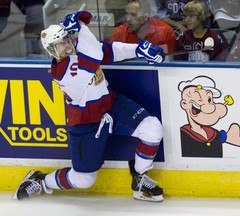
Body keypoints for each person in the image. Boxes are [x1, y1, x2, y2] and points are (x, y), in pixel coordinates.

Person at [13, 11, 166, 202]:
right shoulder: (64, 72)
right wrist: (82, 26)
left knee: (152, 128)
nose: (68, 45)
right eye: (62, 43)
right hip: (87, 123)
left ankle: (140, 177)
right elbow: (95, 55)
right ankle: (42, 180)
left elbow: (108, 50)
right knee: (84, 179)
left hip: (112, 105)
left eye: (68, 39)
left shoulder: (79, 49)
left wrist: (140, 49)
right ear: (52, 50)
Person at [110, 0, 176, 53]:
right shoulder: (119, 33)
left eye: (133, 15)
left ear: (146, 16)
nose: (128, 19)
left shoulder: (165, 32)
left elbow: (166, 64)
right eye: (127, 14)